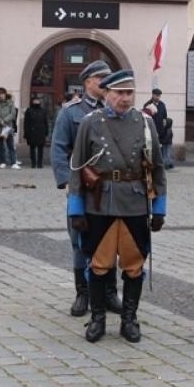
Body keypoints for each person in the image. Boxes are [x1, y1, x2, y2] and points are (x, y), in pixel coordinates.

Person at [66, 70, 166, 343]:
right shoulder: (90, 122)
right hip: (100, 204)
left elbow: (157, 167)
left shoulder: (145, 123)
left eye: (129, 93)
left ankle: (129, 319)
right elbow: (77, 168)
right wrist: (76, 208)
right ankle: (98, 319)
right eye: (119, 93)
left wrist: (159, 207)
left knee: (134, 265)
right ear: (106, 93)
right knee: (99, 265)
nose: (124, 98)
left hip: (135, 203)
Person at [50, 60, 114, 317]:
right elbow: (58, 147)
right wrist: (66, 181)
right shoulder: (70, 112)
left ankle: (109, 293)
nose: (106, 84)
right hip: (82, 186)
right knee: (80, 239)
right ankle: (83, 294)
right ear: (88, 81)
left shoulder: (115, 109)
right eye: (101, 79)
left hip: (110, 186)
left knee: (113, 238)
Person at [0, 88, 20, 169]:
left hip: (7, 127)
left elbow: (13, 113)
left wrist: (5, 120)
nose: (1, 95)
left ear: (5, 94)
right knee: (0, 146)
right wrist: (0, 121)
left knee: (10, 145)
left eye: (2, 94)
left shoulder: (10, 102)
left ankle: (13, 162)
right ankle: (2, 162)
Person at [145, 88, 175, 169]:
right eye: (156, 95)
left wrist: (164, 124)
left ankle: (160, 164)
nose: (158, 97)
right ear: (153, 95)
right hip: (152, 131)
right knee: (152, 149)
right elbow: (145, 118)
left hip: (161, 131)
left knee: (161, 149)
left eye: (159, 96)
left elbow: (164, 117)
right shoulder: (147, 105)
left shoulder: (162, 105)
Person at [22, 95, 49, 169]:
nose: (36, 102)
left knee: (41, 149)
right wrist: (26, 133)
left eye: (38, 100)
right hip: (32, 132)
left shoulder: (43, 111)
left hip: (41, 132)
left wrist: (46, 132)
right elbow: (26, 122)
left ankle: (40, 163)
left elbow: (45, 122)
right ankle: (33, 163)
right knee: (32, 149)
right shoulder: (29, 110)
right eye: (35, 100)